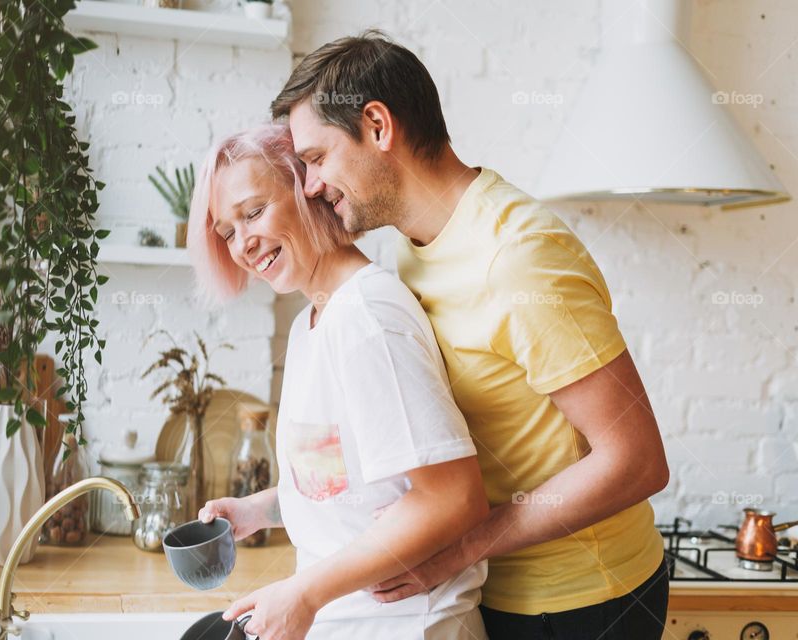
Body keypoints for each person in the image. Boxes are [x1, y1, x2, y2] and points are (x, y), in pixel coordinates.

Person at [269, 30, 672, 640]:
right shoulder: (413, 248)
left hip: (584, 603)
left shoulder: (519, 257)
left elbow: (636, 461)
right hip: (492, 590)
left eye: (317, 158)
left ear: (377, 125)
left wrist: (459, 548)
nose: (310, 185)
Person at [187, 123, 490, 640]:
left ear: (307, 188)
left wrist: (304, 594)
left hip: (409, 628)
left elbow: (453, 498)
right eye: (228, 232)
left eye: (253, 213)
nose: (242, 245)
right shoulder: (313, 323)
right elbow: (347, 489)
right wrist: (255, 511)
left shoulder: (366, 317)